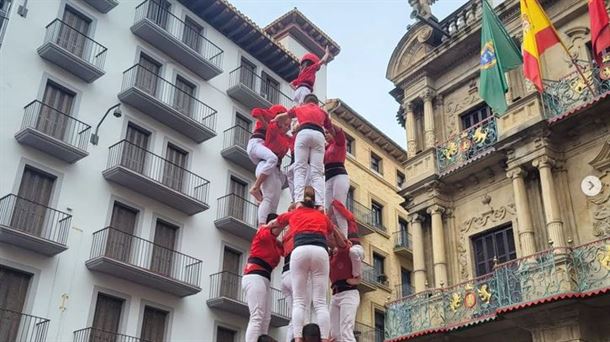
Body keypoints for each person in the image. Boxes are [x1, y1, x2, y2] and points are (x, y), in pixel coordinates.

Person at [265, 187, 343, 342]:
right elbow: (331, 232)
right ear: (315, 203)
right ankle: (325, 338)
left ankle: (298, 338)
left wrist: (265, 227)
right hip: (320, 251)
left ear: (300, 202)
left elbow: (275, 222)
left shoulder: (294, 213)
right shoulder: (321, 216)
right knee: (320, 301)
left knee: (299, 301)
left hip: (299, 251)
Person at [275, 94, 332, 208]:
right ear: (316, 103)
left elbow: (284, 116)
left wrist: (275, 119)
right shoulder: (322, 112)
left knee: (300, 169)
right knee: (317, 173)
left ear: (305, 102)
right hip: (319, 135)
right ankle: (320, 204)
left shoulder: (300, 108)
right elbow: (330, 128)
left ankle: (299, 201)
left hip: (303, 133)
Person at [242, 213, 283, 342]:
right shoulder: (263, 232)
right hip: (254, 275)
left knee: (266, 318)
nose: (280, 230)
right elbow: (270, 229)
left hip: (265, 278)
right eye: (278, 226)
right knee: (257, 316)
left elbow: (286, 249)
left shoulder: (276, 244)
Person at [255, 116, 292, 225]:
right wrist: (287, 113)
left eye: (289, 126)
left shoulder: (286, 138)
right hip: (267, 164)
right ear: (280, 123)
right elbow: (257, 113)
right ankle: (262, 225)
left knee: (275, 201)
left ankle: (269, 227)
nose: (287, 128)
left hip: (276, 169)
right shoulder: (273, 130)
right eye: (285, 124)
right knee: (268, 197)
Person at [247, 104, 288, 201]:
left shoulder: (276, 125)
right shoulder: (271, 116)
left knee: (278, 174)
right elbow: (255, 111)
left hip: (258, 150)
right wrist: (266, 125)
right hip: (256, 144)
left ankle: (261, 191)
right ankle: (256, 187)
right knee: (273, 159)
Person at [329, 234, 360, 342]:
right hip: (335, 294)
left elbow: (352, 253)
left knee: (346, 331)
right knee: (335, 334)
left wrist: (357, 277)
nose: (328, 239)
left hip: (348, 292)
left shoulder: (344, 250)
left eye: (330, 237)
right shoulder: (330, 255)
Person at [324, 124, 349, 236]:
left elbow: (339, 131)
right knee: (328, 211)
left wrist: (328, 122)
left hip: (339, 176)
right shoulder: (326, 147)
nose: (326, 135)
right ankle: (331, 237)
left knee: (338, 207)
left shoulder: (339, 143)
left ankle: (344, 236)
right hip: (328, 178)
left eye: (327, 133)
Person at [331, 200, 364, 282]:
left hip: (355, 247)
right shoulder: (335, 228)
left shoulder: (350, 220)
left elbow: (343, 210)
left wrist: (333, 202)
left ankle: (357, 277)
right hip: (343, 252)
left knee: (353, 252)